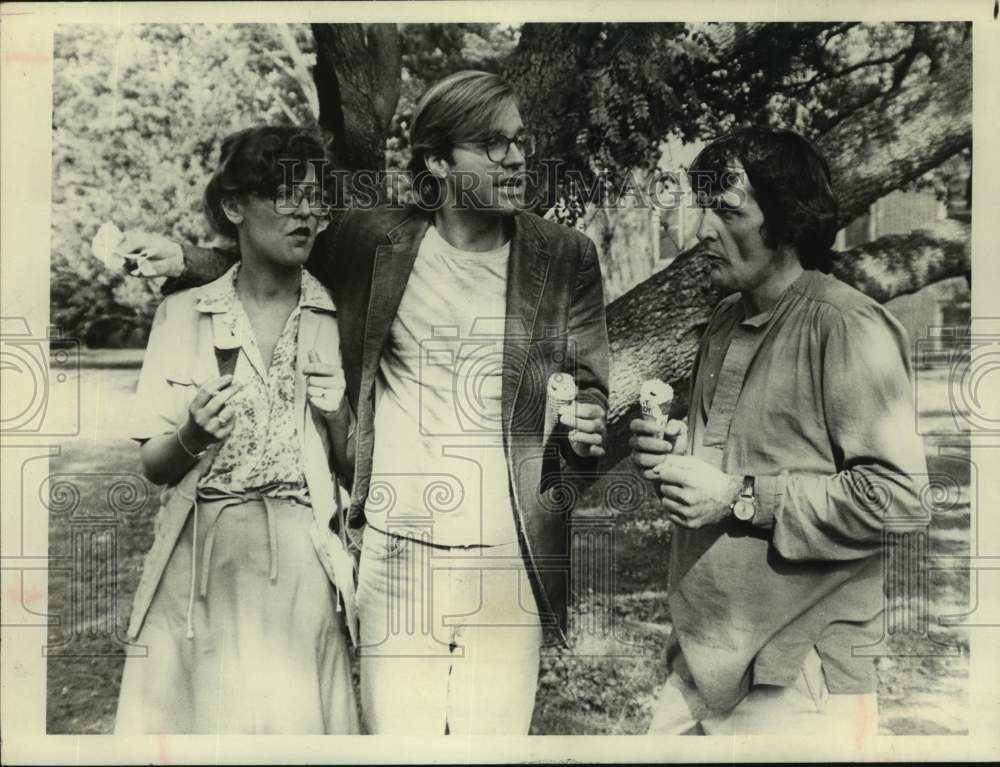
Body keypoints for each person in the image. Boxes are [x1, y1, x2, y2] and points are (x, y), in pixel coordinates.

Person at [125, 70, 610, 735]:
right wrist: (181, 258)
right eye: (494, 145)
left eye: (521, 141)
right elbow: (273, 254)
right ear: (438, 160)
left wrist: (585, 419)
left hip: (508, 559)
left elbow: (588, 385)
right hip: (397, 552)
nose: (518, 157)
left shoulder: (565, 256)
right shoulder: (372, 239)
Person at [629, 127, 927, 736]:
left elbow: (899, 501)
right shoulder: (723, 320)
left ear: (787, 220)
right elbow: (744, 457)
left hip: (799, 676)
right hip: (702, 662)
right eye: (703, 209)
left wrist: (738, 494)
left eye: (727, 210)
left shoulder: (846, 326)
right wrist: (670, 454)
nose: (701, 232)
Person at [115, 126, 360, 734]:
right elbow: (154, 466)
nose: (305, 211)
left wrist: (336, 419)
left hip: (304, 563)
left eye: (315, 197)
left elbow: (360, 471)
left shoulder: (341, 318)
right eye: (285, 194)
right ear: (234, 207)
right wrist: (193, 435)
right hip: (200, 560)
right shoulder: (181, 314)